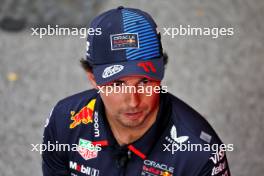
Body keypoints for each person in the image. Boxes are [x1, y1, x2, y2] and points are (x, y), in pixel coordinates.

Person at [42, 6, 231, 176]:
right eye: (117, 84)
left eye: (145, 81)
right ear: (93, 79)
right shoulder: (64, 120)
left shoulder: (201, 153)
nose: (133, 101)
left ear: (161, 74)